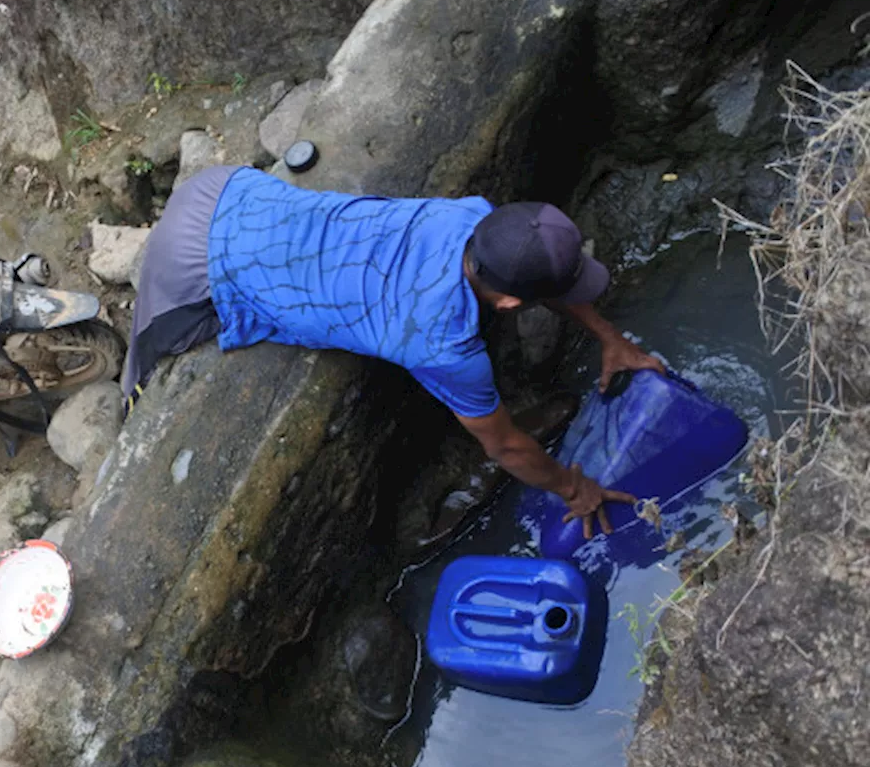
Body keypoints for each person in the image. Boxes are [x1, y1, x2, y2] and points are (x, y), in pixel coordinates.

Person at [122, 165, 665, 537]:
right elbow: (507, 448)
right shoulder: (442, 342)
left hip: (227, 188)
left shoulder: (473, 219)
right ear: (508, 303)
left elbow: (542, 274)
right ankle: (126, 397)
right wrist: (576, 489)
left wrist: (610, 339)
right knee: (149, 362)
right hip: (193, 259)